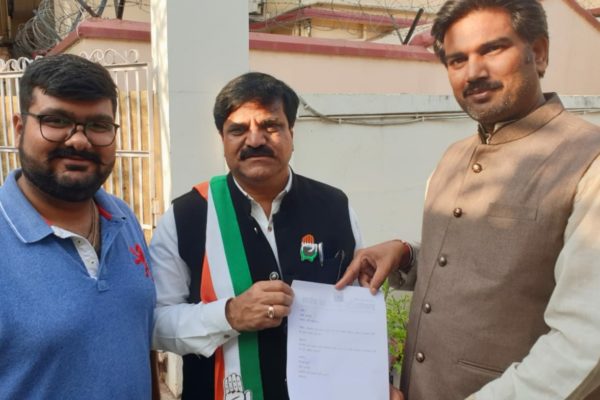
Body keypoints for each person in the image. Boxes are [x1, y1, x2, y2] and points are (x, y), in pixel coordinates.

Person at [336, 0, 600, 399]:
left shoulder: (587, 160)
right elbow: (488, 264)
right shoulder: (454, 156)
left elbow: (584, 342)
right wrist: (407, 256)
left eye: (492, 49)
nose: (473, 72)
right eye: (457, 60)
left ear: (539, 52)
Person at [150, 72, 375, 399]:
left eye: (270, 126)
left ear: (292, 134)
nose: (254, 140)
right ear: (222, 140)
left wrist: (371, 381)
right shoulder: (187, 216)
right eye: (238, 130)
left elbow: (355, 312)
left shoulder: (334, 206)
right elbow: (156, 323)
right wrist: (229, 315)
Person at [0, 54, 156, 399]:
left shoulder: (122, 218)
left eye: (98, 125)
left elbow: (139, 342)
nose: (79, 141)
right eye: (56, 120)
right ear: (19, 128)